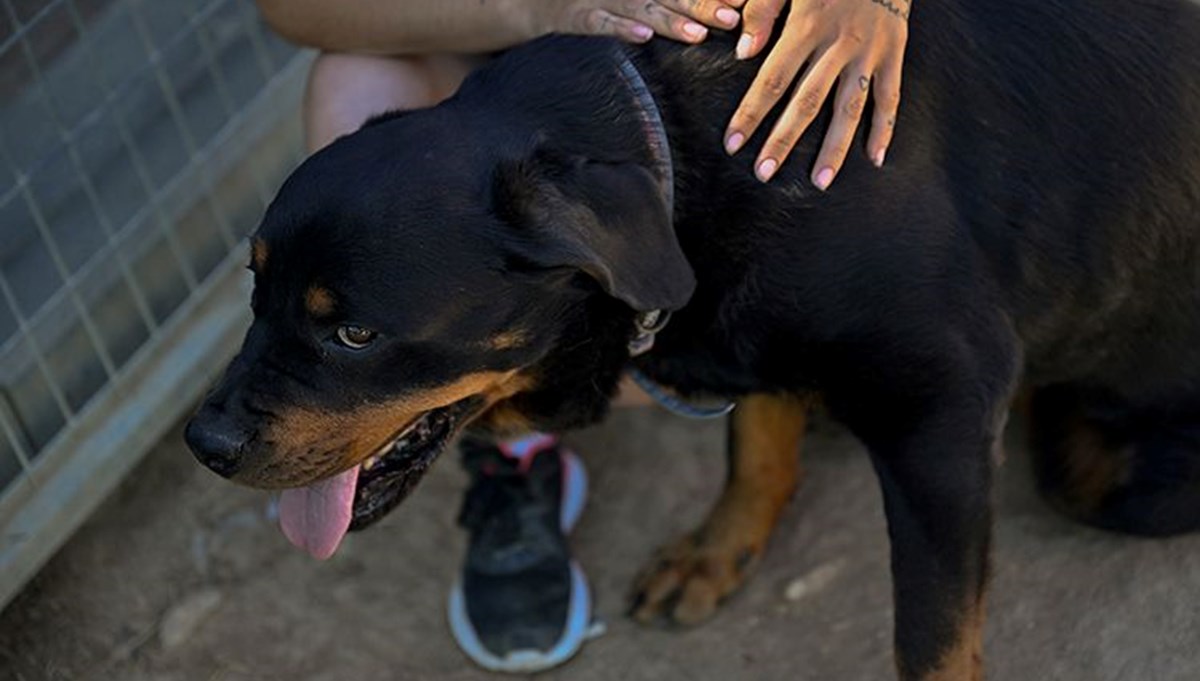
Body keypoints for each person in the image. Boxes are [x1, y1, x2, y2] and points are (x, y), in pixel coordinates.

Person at [253, 0, 911, 672]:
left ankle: (775, 379)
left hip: (716, 110)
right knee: (356, 77)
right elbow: (298, 10)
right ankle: (499, 427)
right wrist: (540, 9)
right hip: (523, 82)